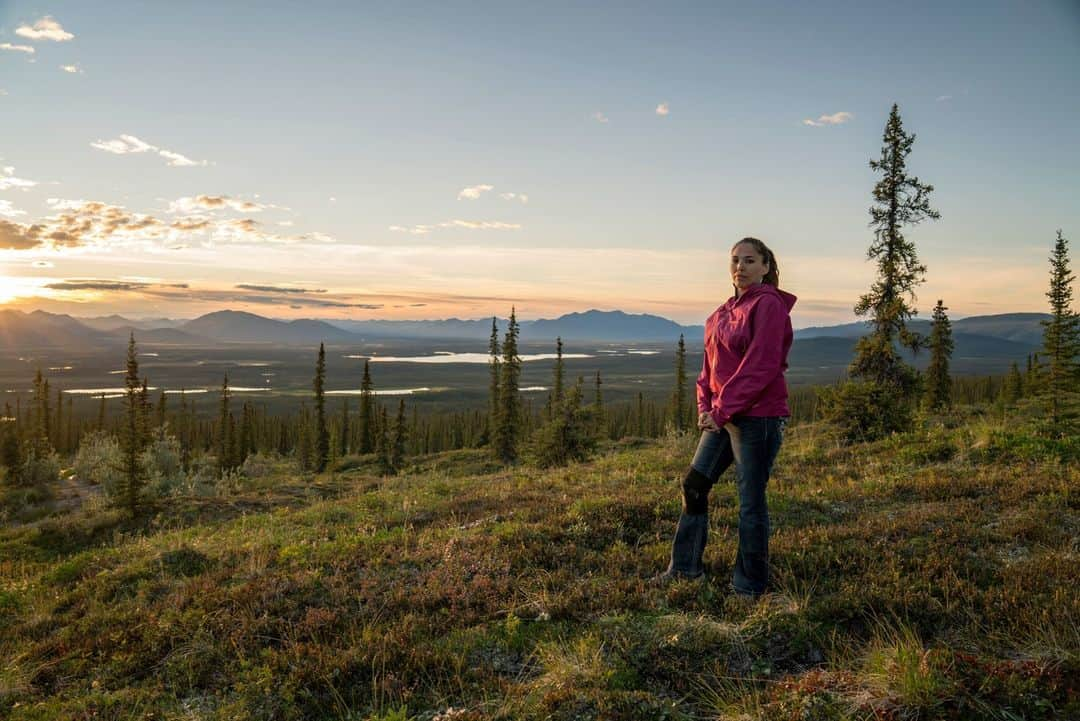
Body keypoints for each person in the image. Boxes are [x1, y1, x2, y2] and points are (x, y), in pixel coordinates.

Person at [658, 237, 797, 597]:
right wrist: (705, 405)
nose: (741, 267)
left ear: (766, 266)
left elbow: (761, 366)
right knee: (694, 485)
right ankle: (685, 570)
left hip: (759, 417)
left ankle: (749, 587)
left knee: (751, 502)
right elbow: (708, 368)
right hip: (723, 415)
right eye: (735, 260)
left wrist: (720, 411)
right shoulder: (720, 314)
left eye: (750, 260)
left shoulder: (768, 306)